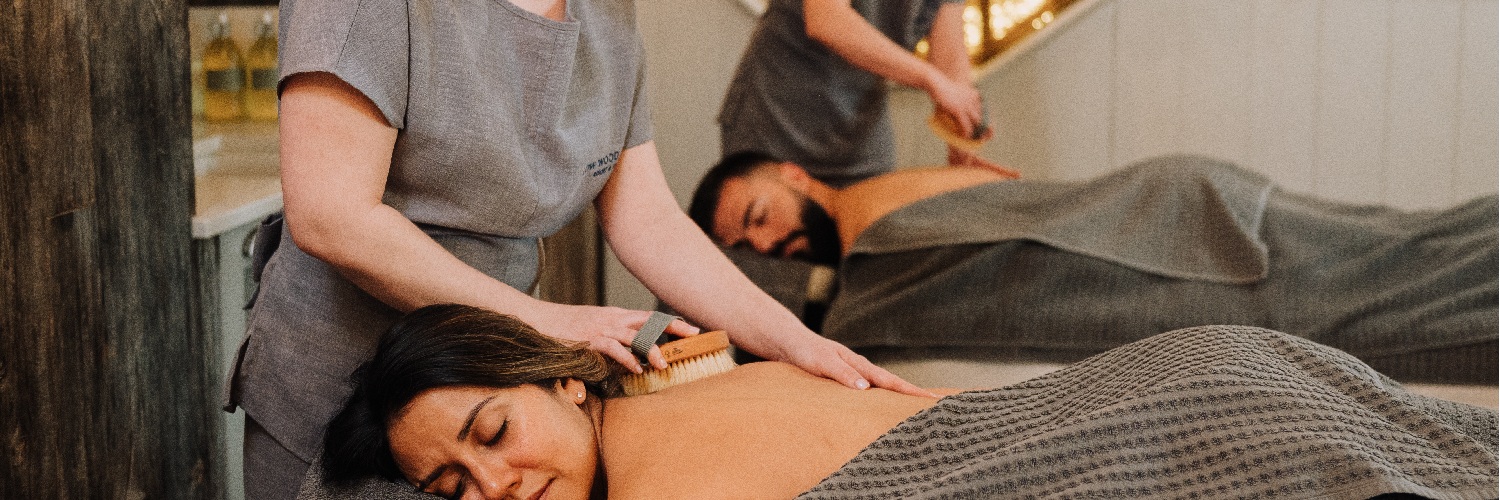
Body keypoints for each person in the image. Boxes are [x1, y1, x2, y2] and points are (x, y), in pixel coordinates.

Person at [229, 2, 923, 498]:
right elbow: (331, 215)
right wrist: (551, 322)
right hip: (344, 379)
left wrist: (795, 342)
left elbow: (646, 218)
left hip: (497, 372)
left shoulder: (609, 20)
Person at [303, 304, 1498, 499]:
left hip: (1169, 430)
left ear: (561, 374)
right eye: (456, 490)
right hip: (1196, 369)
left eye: (492, 434)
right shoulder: (692, 374)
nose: (500, 484)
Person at [687, 151, 1499, 384]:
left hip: (1182, 240)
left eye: (759, 218)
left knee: (1392, 300)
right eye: (748, 252)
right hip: (1185, 207)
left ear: (793, 175)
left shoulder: (868, 236)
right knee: (1413, 251)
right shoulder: (921, 190)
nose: (770, 248)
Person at [719, 0, 1008, 186]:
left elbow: (950, 46)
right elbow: (826, 19)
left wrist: (959, 135)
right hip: (777, 115)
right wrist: (931, 79)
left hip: (859, 127)